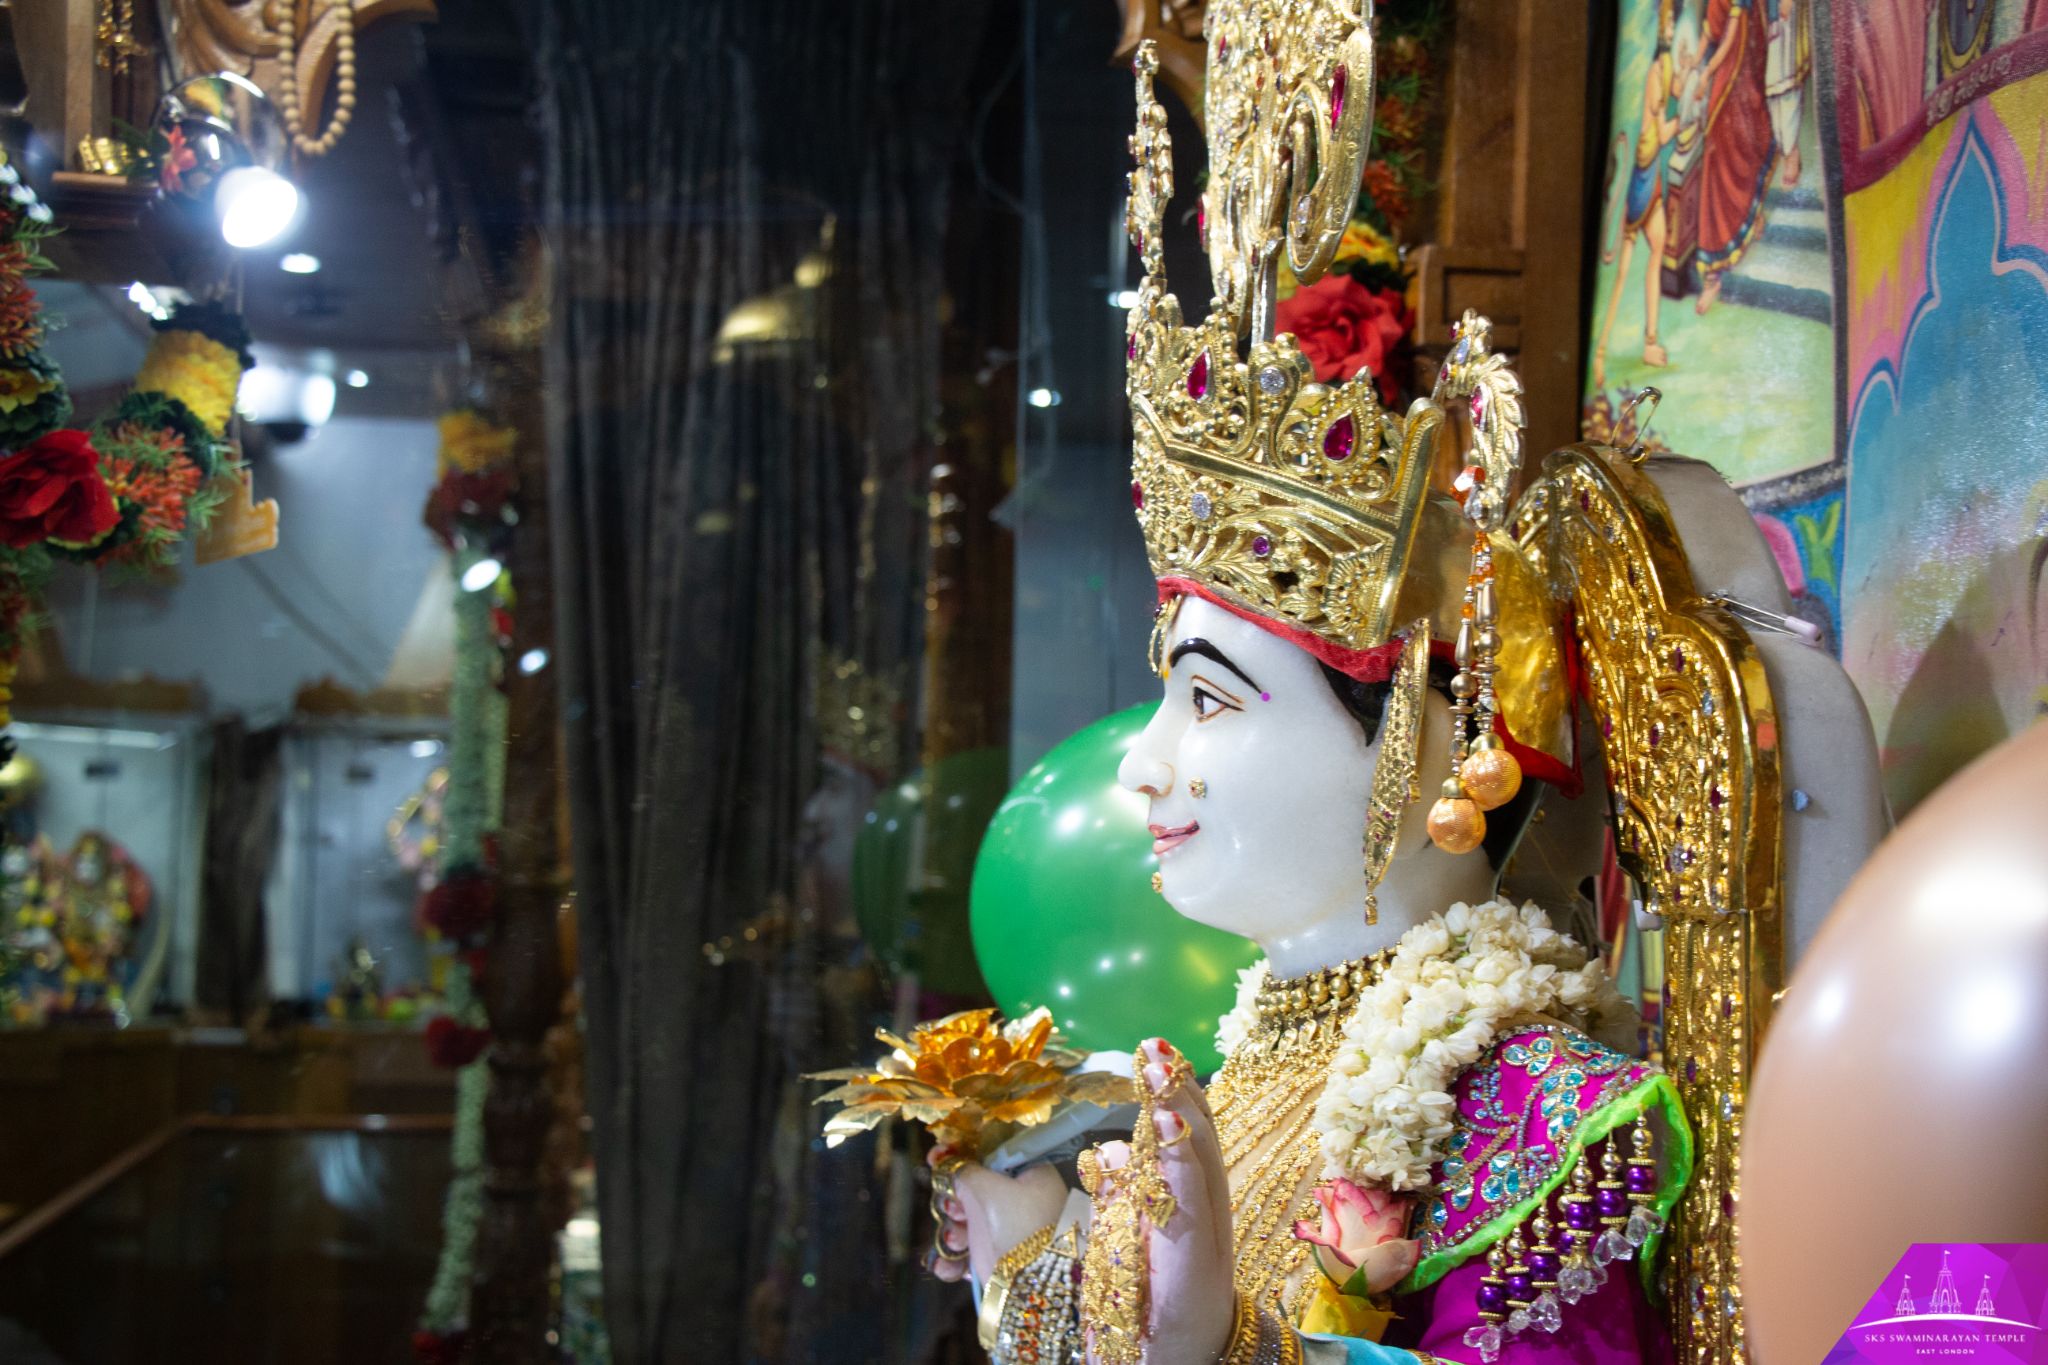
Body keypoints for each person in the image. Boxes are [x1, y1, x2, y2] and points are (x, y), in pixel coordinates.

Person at [1594, 1, 1687, 388]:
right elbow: (1655, 134)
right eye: (1665, 21)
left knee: (1658, 251)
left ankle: (1650, 341)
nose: (1667, 28)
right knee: (1626, 268)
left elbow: (1677, 90)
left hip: (1654, 178)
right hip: (1643, 177)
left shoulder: (1667, 67)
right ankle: (1600, 353)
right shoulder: (1654, 69)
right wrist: (1681, 122)